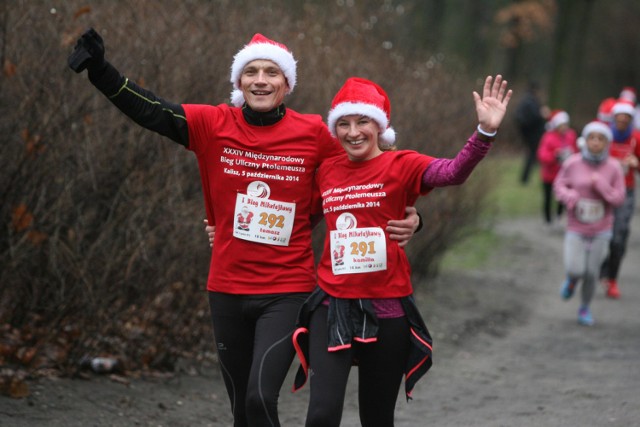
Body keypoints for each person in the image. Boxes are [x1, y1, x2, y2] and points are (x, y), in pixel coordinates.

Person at [68, 29, 419, 427]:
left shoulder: (315, 134)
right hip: (226, 288)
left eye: (272, 72)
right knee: (241, 411)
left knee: (258, 398)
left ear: (287, 83)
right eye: (251, 71)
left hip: (287, 289)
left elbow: (375, 170)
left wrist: (412, 218)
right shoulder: (213, 123)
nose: (261, 80)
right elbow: (153, 111)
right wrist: (100, 71)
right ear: (239, 83)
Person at [291, 75, 512, 427]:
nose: (353, 132)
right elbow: (299, 218)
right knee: (320, 414)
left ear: (379, 126)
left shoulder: (402, 164)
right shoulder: (327, 170)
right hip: (333, 304)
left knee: (377, 418)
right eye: (344, 124)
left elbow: (452, 173)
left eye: (362, 121)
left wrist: (484, 133)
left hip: (386, 305)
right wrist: (225, 224)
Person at [554, 121, 625, 325]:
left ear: (607, 143)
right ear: (585, 141)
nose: (595, 142)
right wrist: (569, 196)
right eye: (592, 138)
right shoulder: (573, 163)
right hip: (576, 227)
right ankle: (572, 280)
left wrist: (601, 186)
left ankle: (584, 308)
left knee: (592, 273)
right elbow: (559, 185)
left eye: (600, 139)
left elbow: (619, 198)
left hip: (602, 229)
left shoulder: (613, 168)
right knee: (577, 269)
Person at [599, 100, 640, 299]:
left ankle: (611, 278)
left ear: (631, 119)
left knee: (619, 237)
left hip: (627, 192)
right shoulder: (603, 136)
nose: (623, 121)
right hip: (602, 191)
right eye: (619, 118)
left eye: (627, 118)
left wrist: (636, 163)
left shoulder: (636, 138)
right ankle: (593, 270)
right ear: (613, 118)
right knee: (599, 235)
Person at [536, 110, 577, 226]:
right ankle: (547, 220)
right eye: (562, 125)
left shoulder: (571, 135)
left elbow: (576, 151)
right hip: (549, 175)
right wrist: (555, 155)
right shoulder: (548, 137)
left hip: (565, 174)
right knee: (548, 197)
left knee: (562, 197)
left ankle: (560, 216)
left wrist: (572, 154)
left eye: (566, 125)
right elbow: (542, 155)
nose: (564, 128)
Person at [515, 81, 548, 184]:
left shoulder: (525, 100)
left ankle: (525, 178)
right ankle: (525, 178)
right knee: (532, 154)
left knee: (532, 154)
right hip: (533, 133)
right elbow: (535, 117)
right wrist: (542, 114)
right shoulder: (531, 101)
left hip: (528, 133)